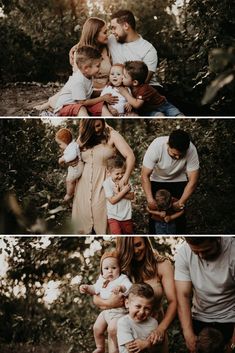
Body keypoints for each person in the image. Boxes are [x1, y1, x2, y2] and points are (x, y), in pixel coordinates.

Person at [93, 237, 177, 353]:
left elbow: (174, 301)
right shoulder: (117, 263)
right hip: (122, 330)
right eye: (130, 249)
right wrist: (109, 303)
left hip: (152, 330)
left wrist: (161, 329)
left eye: (138, 245)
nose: (136, 251)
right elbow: (97, 295)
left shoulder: (162, 264)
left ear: (146, 242)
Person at [34, 17, 113, 112]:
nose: (107, 35)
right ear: (94, 35)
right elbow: (79, 79)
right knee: (71, 93)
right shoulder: (80, 53)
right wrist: (103, 87)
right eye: (104, 32)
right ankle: (48, 104)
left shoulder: (107, 47)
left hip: (105, 85)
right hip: (88, 86)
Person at [72, 119, 135, 234]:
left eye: (98, 125)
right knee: (83, 228)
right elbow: (71, 155)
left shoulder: (112, 135)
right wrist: (69, 161)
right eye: (93, 128)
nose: (97, 130)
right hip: (83, 187)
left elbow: (130, 155)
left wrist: (125, 177)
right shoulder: (83, 138)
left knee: (105, 225)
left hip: (103, 185)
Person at [174, 237, 235, 353]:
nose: (201, 256)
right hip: (200, 317)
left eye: (206, 250)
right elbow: (183, 295)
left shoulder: (232, 251)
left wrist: (233, 344)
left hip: (230, 319)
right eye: (196, 252)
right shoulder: (184, 253)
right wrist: (188, 334)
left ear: (217, 239)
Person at [141, 129, 199, 233]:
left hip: (179, 180)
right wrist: (150, 199)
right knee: (155, 216)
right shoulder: (157, 146)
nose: (177, 157)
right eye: (174, 154)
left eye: (181, 155)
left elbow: (193, 180)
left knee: (179, 219)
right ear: (168, 144)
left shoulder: (191, 150)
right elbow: (145, 175)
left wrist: (181, 202)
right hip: (157, 179)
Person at [80, 251, 132, 353]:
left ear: (120, 269)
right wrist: (86, 288)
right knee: (97, 328)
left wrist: (121, 287)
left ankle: (117, 348)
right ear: (102, 271)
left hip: (119, 312)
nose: (110, 271)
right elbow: (95, 289)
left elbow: (129, 287)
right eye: (106, 268)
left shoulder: (122, 278)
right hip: (106, 312)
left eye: (114, 268)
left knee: (112, 329)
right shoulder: (101, 280)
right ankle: (100, 347)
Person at [54, 46, 117, 116]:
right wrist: (102, 98)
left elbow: (88, 93)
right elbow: (82, 102)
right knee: (82, 108)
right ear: (86, 68)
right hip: (65, 108)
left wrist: (104, 91)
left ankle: (108, 115)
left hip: (81, 104)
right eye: (97, 66)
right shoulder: (78, 81)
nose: (100, 68)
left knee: (101, 104)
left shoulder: (89, 76)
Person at [109, 10, 158, 86]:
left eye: (114, 28)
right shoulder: (112, 40)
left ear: (126, 26)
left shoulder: (148, 50)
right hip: (120, 89)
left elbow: (143, 83)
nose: (112, 31)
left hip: (145, 91)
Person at [118, 60, 183, 116]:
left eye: (124, 76)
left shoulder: (144, 89)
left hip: (163, 105)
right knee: (159, 116)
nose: (121, 77)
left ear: (135, 82)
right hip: (150, 110)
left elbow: (137, 104)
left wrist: (125, 93)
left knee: (178, 116)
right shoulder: (128, 84)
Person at [117, 283, 158, 353]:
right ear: (127, 303)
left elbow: (156, 347)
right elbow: (131, 349)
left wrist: (147, 344)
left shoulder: (153, 323)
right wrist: (147, 343)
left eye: (147, 308)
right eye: (138, 306)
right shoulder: (123, 322)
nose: (142, 312)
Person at [103, 155, 134, 234]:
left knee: (128, 236)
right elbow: (112, 200)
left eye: (123, 173)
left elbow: (132, 196)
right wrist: (123, 192)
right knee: (118, 236)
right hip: (113, 217)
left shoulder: (126, 181)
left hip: (127, 216)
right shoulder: (107, 183)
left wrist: (118, 193)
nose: (120, 176)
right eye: (117, 174)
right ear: (109, 172)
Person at [55, 128, 84, 201]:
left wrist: (63, 159)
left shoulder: (72, 146)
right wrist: (62, 158)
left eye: (60, 144)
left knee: (69, 180)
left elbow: (73, 156)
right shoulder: (70, 146)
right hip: (74, 167)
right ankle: (72, 192)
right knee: (70, 180)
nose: (59, 146)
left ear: (65, 141)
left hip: (77, 167)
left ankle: (69, 194)